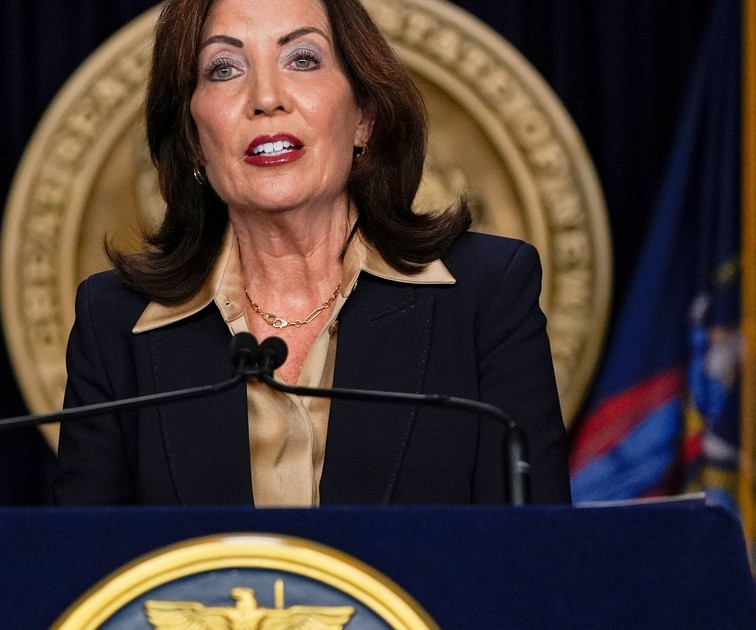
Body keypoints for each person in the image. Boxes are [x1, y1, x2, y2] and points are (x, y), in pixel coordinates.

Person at [54, 0, 570, 506]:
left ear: (364, 116)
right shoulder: (114, 323)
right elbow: (87, 559)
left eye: (302, 59)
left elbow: (532, 551)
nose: (266, 98)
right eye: (224, 68)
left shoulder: (487, 293)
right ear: (192, 139)